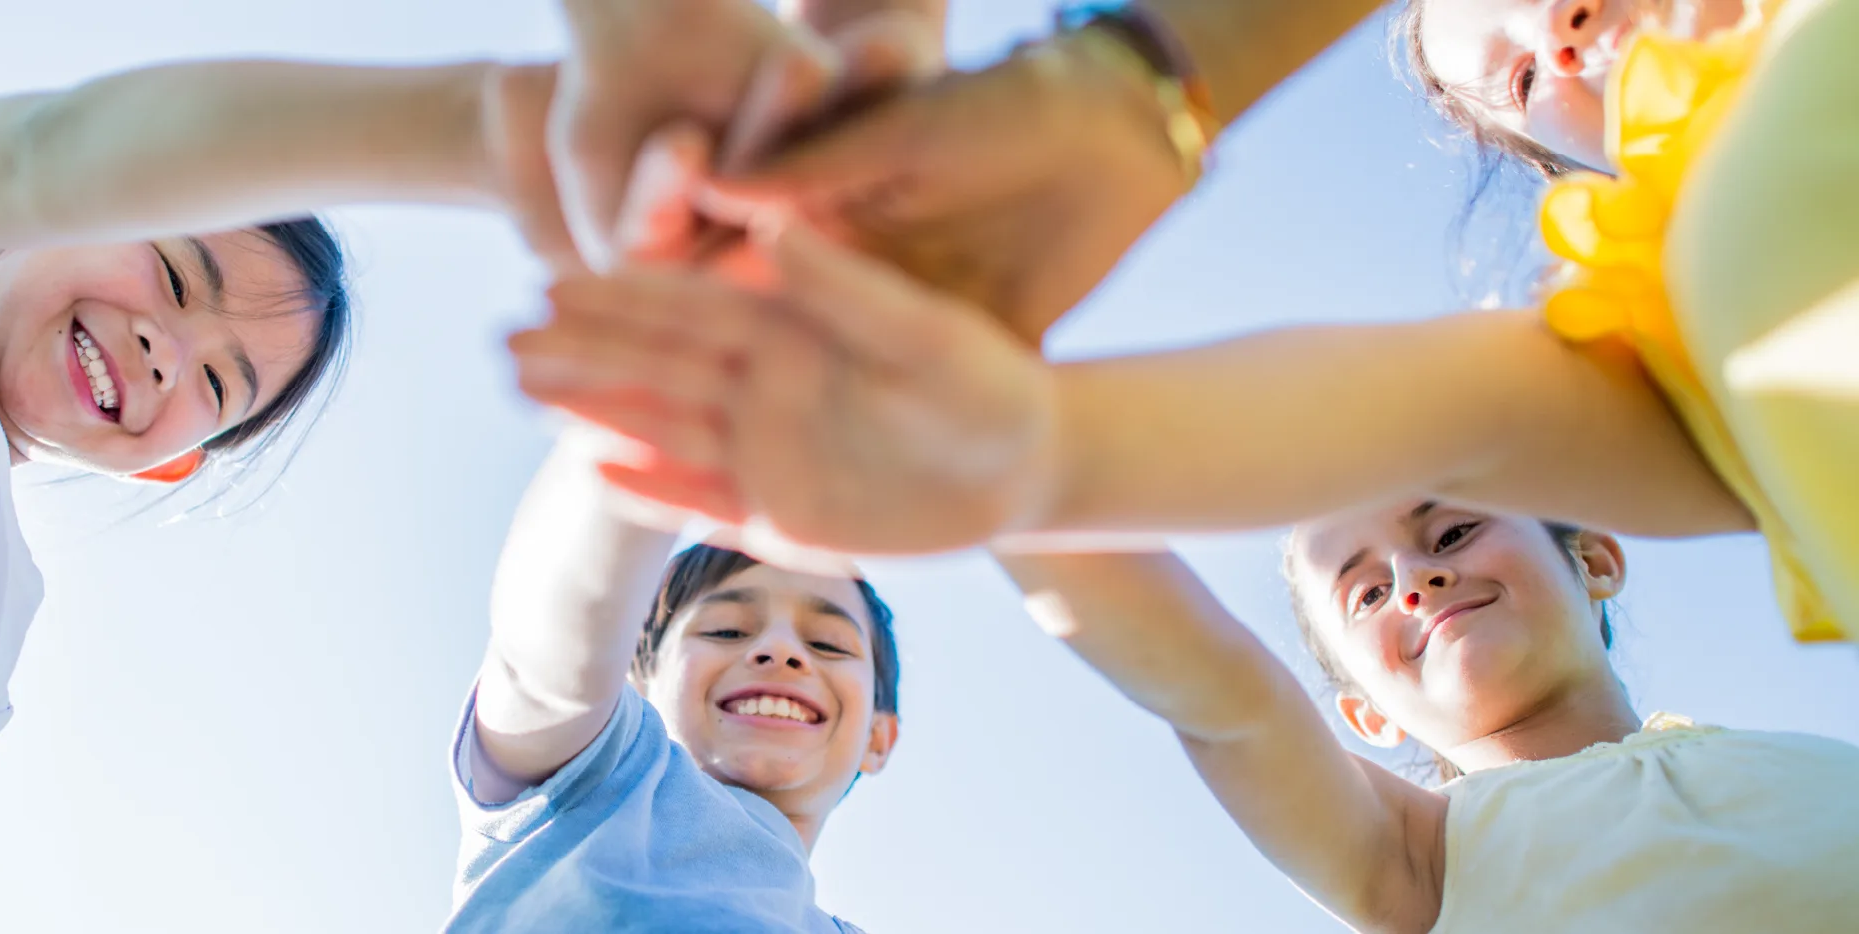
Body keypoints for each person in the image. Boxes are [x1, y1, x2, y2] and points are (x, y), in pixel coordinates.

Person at [507, 0, 1859, 648]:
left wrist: (1143, 74)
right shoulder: (1687, 330)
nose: (1555, 31)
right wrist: (1035, 453)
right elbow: (1432, 411)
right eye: (1512, 75)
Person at [0, 55, 578, 934]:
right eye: (173, 274)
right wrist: (496, 129)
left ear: (165, 464)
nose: (169, 352)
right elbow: (39, 152)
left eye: (215, 386)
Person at [995, 504, 1859, 932]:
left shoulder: (1819, 762)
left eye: (1450, 534)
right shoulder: (1420, 855)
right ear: (1363, 715)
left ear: (1593, 558)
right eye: (1367, 593)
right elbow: (1221, 693)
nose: (1414, 579)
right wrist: (1004, 490)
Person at [448, 428, 900, 932]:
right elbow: (548, 652)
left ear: (879, 738)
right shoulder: (590, 788)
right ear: (636, 686)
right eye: (726, 630)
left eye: (828, 643)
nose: (779, 649)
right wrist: (647, 430)